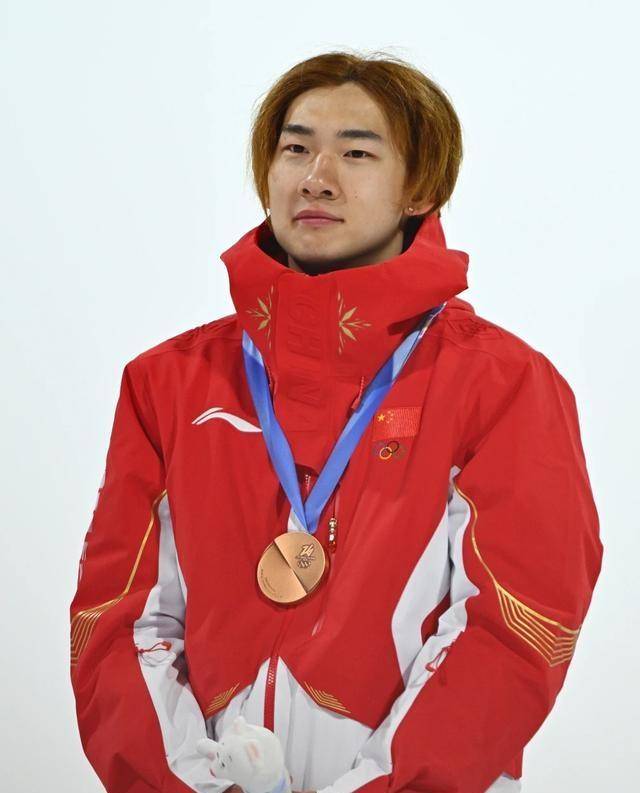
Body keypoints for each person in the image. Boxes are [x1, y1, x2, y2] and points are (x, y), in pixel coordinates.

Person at [69, 50, 603, 793]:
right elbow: (118, 623)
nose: (316, 176)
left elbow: (513, 634)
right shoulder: (167, 383)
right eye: (295, 148)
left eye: (356, 152)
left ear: (419, 188)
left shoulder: (503, 384)